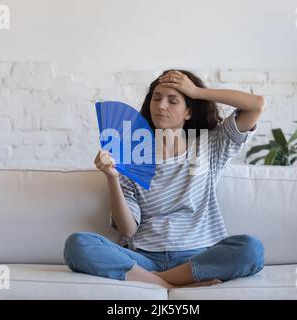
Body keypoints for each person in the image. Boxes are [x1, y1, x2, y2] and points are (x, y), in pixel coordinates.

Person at [64, 69, 266, 288]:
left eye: (173, 101)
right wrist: (112, 178)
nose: (161, 106)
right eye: (157, 98)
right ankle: (173, 285)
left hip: (197, 258)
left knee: (252, 249)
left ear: (188, 111)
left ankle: (156, 282)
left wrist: (196, 91)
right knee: (78, 244)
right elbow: (128, 230)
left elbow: (256, 105)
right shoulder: (132, 159)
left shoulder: (210, 146)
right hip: (144, 259)